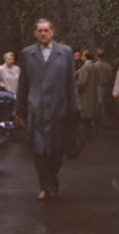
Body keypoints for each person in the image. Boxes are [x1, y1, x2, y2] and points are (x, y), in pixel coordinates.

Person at [16, 19, 80, 201]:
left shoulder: (65, 53)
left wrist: (75, 108)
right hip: (37, 110)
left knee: (56, 150)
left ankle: (52, 177)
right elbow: (23, 84)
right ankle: (44, 185)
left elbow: (71, 83)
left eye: (46, 30)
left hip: (59, 109)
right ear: (35, 33)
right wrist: (19, 109)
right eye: (40, 31)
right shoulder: (28, 54)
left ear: (53, 32)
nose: (43, 34)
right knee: (39, 150)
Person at [76, 50, 101, 131]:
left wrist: (77, 90)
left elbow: (82, 82)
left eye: (82, 56)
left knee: (85, 113)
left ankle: (86, 132)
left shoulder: (85, 67)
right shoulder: (94, 66)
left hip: (85, 93)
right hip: (93, 91)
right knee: (92, 112)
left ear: (85, 57)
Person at [94, 47, 116, 126]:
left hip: (99, 86)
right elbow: (111, 76)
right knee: (107, 104)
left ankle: (104, 122)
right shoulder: (109, 66)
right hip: (108, 86)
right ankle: (108, 120)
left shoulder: (95, 66)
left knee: (101, 104)